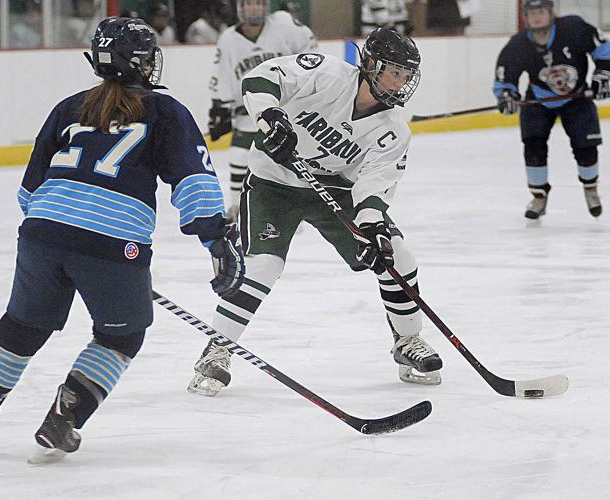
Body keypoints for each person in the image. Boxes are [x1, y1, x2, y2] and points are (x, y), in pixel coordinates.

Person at [0, 17, 245, 462]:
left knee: (23, 325)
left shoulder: (70, 107)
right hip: (111, 242)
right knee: (122, 336)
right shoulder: (164, 111)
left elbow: (29, 190)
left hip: (42, 232)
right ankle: (64, 418)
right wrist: (216, 242)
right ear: (142, 62)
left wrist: (61, 240)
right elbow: (194, 182)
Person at [188, 28, 444, 397]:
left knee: (397, 256)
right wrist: (271, 117)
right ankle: (217, 348)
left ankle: (407, 340)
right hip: (272, 182)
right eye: (394, 71)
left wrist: (373, 230)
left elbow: (373, 187)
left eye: (406, 76)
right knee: (264, 266)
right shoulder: (326, 74)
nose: (400, 83)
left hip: (336, 191)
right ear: (370, 64)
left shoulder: (393, 131)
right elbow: (260, 77)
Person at [493, 0, 610, 221]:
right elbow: (504, 79)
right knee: (533, 146)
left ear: (551, 13)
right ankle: (539, 198)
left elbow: (604, 48)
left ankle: (591, 190)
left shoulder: (574, 28)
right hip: (539, 100)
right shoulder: (518, 44)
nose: (537, 17)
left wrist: (602, 77)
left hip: (577, 97)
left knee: (586, 147)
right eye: (532, 13)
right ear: (525, 17)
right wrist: (506, 96)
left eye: (541, 12)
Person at [208, 0, 317, 222]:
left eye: (258, 3)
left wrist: (305, 81)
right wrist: (221, 106)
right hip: (248, 109)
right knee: (239, 154)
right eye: (248, 4)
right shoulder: (228, 39)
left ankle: (297, 204)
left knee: (292, 155)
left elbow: (311, 49)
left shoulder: (284, 24)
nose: (254, 8)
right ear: (239, 8)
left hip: (284, 109)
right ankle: (238, 206)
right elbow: (223, 75)